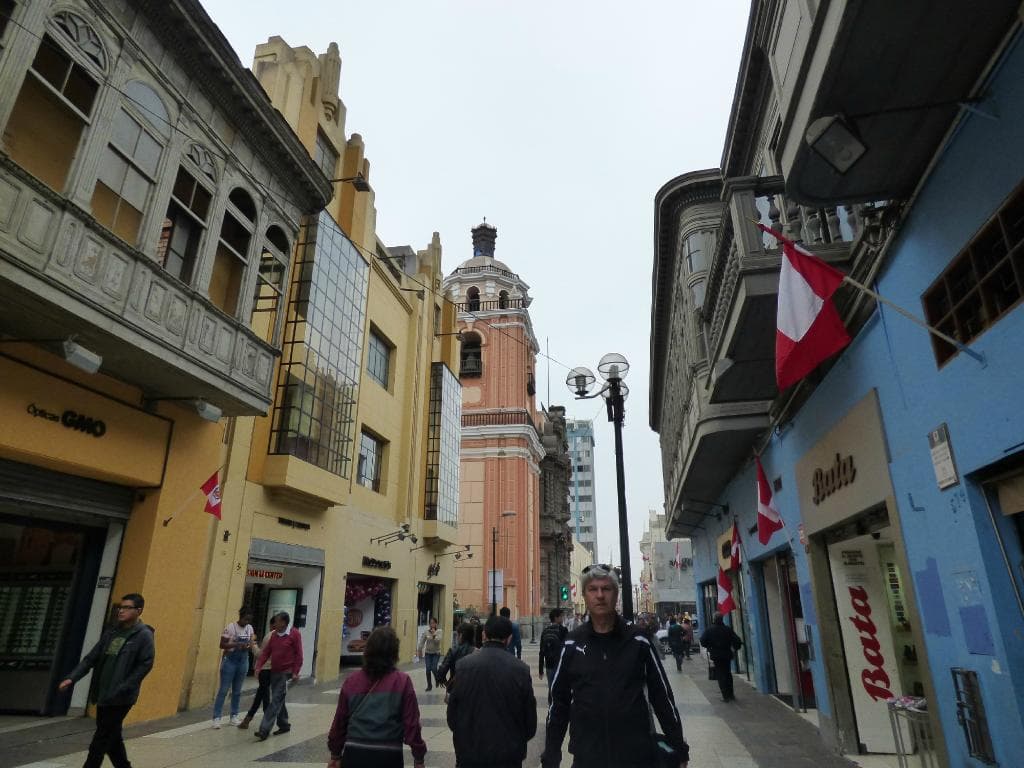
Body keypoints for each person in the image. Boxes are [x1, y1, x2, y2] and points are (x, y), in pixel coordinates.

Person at [542, 566, 688, 768]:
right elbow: (558, 703)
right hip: (587, 755)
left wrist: (679, 746)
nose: (600, 595)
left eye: (606, 589)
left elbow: (662, 696)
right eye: (593, 589)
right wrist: (551, 754)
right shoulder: (571, 643)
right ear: (584, 595)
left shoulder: (638, 640)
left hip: (636, 754)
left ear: (616, 594)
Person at [58, 593, 155, 768]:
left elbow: (145, 665)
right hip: (103, 693)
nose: (121, 611)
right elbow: (91, 659)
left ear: (138, 611)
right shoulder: (112, 632)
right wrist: (72, 678)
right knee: (112, 737)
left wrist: (125, 686)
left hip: (121, 697)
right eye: (121, 607)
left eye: (127, 607)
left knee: (100, 739)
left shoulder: (143, 635)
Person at [327, 626, 426, 768]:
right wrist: (418, 757)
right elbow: (412, 724)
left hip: (354, 755)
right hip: (388, 756)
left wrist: (335, 753)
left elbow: (340, 721)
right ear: (394, 652)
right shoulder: (402, 682)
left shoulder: (352, 681)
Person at [447, 614, 536, 768]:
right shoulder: (521, 670)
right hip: (508, 756)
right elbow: (530, 723)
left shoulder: (463, 666)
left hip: (469, 754)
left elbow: (452, 716)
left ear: (483, 635)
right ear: (509, 639)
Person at [254, 611, 303, 741]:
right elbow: (266, 653)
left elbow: (299, 654)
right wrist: (258, 666)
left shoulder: (294, 634)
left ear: (283, 622)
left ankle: (264, 730)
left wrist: (295, 671)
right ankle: (284, 724)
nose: (274, 623)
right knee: (279, 698)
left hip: (286, 673)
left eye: (276, 621)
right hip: (274, 672)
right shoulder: (274, 635)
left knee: (275, 700)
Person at [212, 607, 256, 728]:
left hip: (243, 660)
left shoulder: (249, 628)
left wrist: (250, 645)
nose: (247, 622)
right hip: (230, 660)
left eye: (249, 620)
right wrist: (237, 644)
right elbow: (222, 644)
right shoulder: (231, 627)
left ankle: (234, 715)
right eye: (245, 619)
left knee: (237, 691)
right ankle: (216, 717)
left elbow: (252, 640)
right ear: (240, 616)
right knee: (223, 690)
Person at [239, 630, 283, 730]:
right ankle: (251, 719)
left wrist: (252, 644)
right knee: (262, 694)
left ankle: (260, 722)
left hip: (265, 669)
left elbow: (260, 654)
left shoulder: (270, 636)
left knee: (263, 695)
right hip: (273, 669)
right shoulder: (282, 636)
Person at [700, 614, 743, 702]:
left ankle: (725, 695)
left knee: (720, 674)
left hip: (716, 655)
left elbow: (703, 641)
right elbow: (737, 640)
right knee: (727, 674)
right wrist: (735, 648)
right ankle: (731, 694)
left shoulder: (709, 630)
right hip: (726, 654)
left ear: (714, 619)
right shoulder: (727, 629)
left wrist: (709, 646)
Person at [538, 608, 568, 688]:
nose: (563, 618)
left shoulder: (545, 631)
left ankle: (551, 700)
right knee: (560, 690)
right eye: (561, 616)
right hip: (560, 666)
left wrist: (540, 670)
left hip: (549, 665)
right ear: (556, 618)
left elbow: (541, 651)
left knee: (551, 688)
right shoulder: (563, 630)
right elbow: (567, 649)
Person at [416, 617, 443, 692]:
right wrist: (419, 649)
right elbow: (422, 641)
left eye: (433, 623)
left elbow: (438, 641)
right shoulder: (426, 632)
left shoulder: (439, 631)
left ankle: (437, 679)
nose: (432, 624)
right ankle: (429, 685)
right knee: (428, 669)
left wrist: (434, 634)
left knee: (434, 668)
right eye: (430, 623)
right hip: (428, 653)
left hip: (436, 653)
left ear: (436, 624)